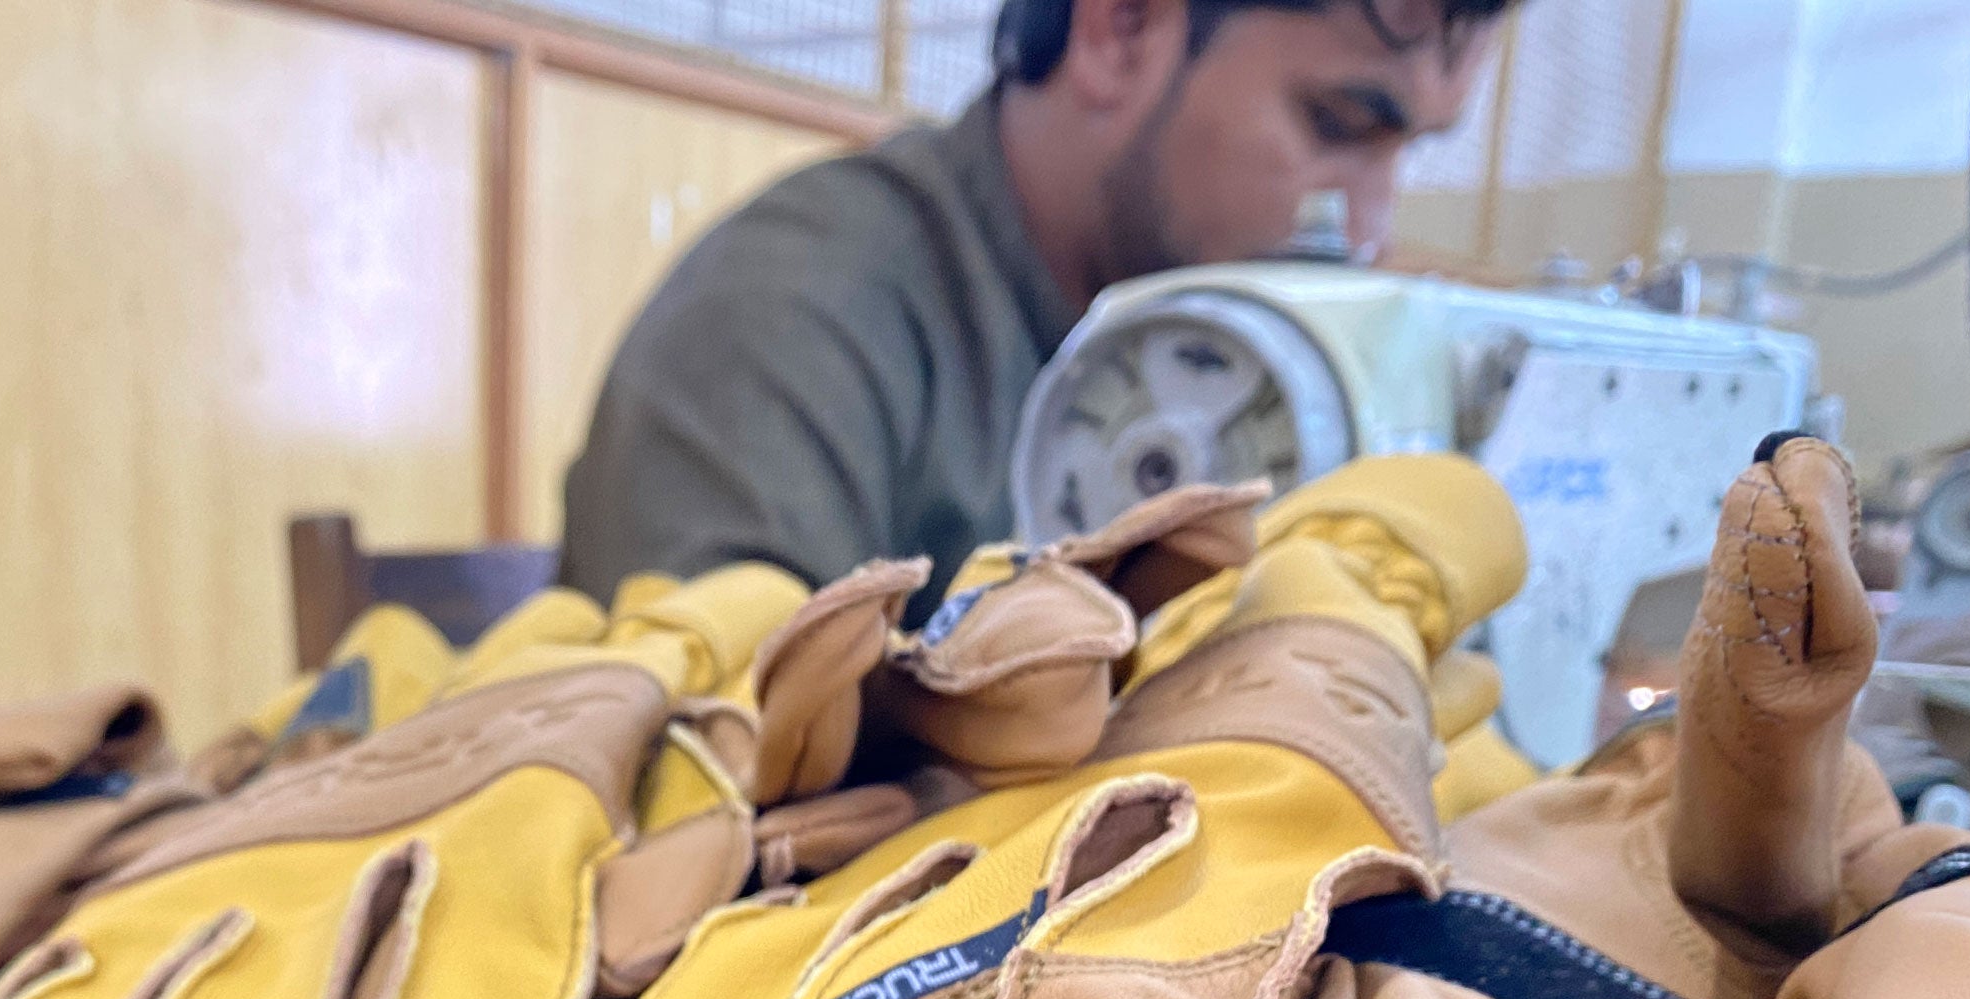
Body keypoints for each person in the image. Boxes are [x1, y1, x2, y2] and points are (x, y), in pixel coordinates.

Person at [558, 0, 1513, 616]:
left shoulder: (1248, 350)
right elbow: (707, 794)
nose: (1369, 225)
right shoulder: (786, 318)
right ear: (1121, 31)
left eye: (1411, 153)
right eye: (1338, 126)